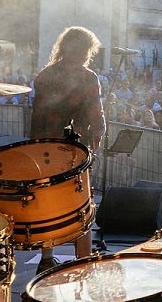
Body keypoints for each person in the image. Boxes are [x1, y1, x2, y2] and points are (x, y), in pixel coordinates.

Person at [30, 25, 107, 270]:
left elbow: (38, 116)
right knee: (81, 204)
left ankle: (46, 258)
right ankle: (82, 260)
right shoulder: (87, 78)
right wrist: (96, 143)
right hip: (74, 151)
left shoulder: (44, 76)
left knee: (47, 203)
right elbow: (96, 119)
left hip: (42, 149)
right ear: (85, 50)